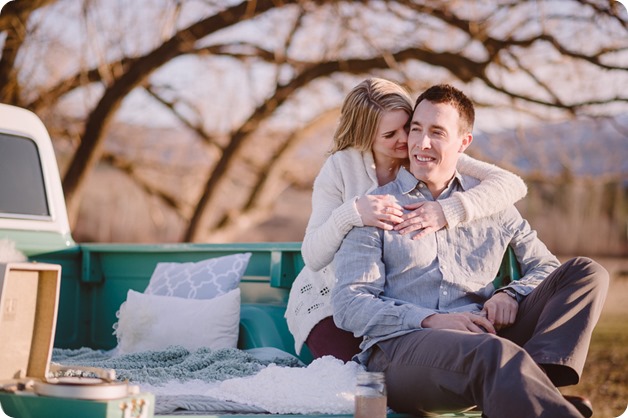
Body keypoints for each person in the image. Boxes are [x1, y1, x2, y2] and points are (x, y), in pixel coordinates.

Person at [331, 84, 609, 417]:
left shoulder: (489, 204)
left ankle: (534, 386)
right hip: (401, 350)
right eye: (415, 129)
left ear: (464, 143)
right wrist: (432, 319)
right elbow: (349, 304)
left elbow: (546, 265)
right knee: (490, 351)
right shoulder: (378, 207)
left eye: (437, 132)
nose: (420, 143)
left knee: (586, 272)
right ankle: (539, 398)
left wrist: (511, 294)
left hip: (486, 337)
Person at [285, 78, 529, 362]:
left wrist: (447, 210)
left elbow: (511, 184)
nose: (406, 139)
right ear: (365, 138)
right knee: (353, 378)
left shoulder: (423, 154)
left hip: (396, 302)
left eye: (407, 126)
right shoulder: (341, 168)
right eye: (390, 135)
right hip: (331, 298)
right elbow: (313, 255)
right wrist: (351, 213)